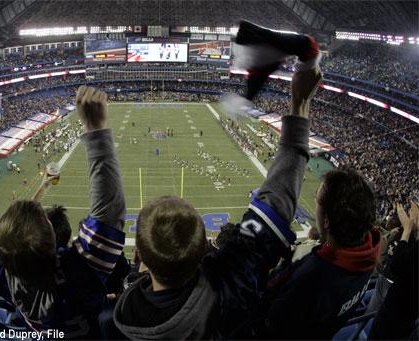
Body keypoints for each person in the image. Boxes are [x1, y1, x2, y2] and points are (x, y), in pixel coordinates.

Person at [111, 61, 323, 338]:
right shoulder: (230, 291)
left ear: (142, 260)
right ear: (203, 251)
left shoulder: (119, 316)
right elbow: (273, 213)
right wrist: (299, 105)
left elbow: (274, 207)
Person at [0, 87, 126, 338]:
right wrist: (96, 128)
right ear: (51, 232)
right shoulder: (80, 273)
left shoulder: (2, 272)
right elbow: (110, 211)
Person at [263, 167, 380, 339]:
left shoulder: (312, 278)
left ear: (326, 220)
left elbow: (269, 324)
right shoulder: (368, 253)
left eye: (317, 198)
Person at [369, 202, 418, 339]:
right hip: (391, 286)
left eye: (415, 211)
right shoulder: (397, 232)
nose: (411, 214)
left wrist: (408, 229)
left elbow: (397, 264)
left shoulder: (405, 234)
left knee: (374, 320)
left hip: (396, 306)